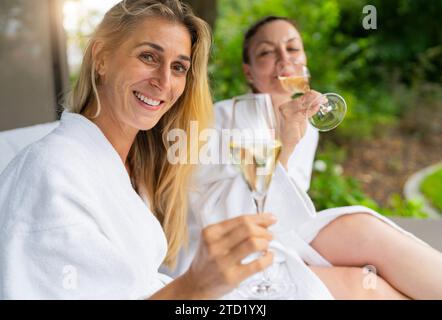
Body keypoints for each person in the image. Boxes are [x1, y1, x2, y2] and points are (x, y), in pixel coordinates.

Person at [0, 0, 285, 300]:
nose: (164, 81)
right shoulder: (50, 171)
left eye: (178, 68)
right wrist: (194, 287)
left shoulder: (136, 167)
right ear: (101, 59)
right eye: (148, 56)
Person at [172, 16, 442, 299]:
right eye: (266, 52)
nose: (283, 59)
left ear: (305, 61)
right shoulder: (217, 120)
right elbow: (221, 217)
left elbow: (291, 205)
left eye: (292, 49)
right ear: (249, 72)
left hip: (282, 237)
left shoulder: (307, 125)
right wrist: (284, 147)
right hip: (227, 251)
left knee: (364, 228)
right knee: (363, 283)